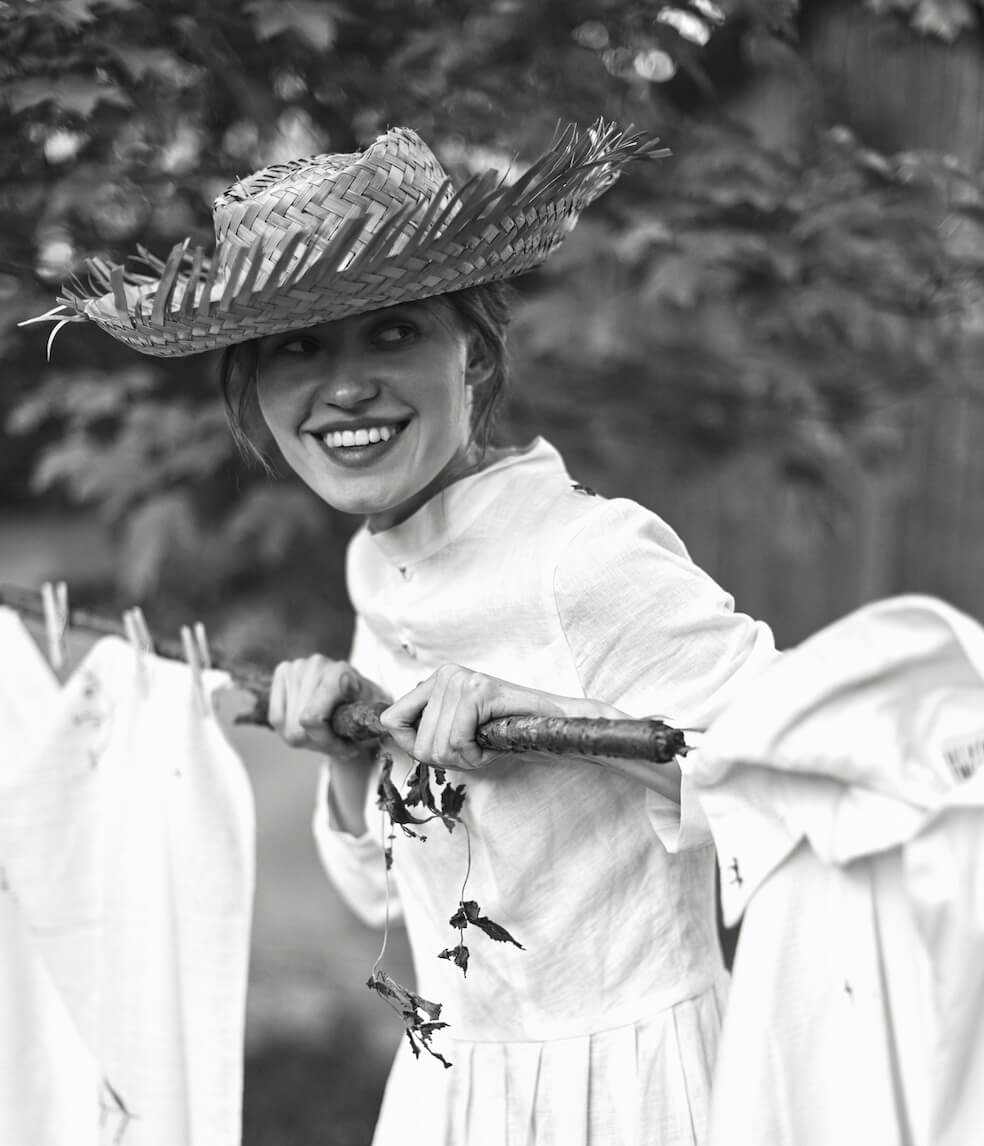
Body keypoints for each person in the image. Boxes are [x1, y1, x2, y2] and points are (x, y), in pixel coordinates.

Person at [29, 122, 779, 1145]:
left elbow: (804, 781)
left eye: (392, 332)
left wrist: (570, 719)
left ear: (471, 353)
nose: (345, 387)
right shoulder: (380, 564)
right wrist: (347, 762)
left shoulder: (587, 559)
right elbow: (389, 886)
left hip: (636, 1090)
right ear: (253, 386)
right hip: (455, 1091)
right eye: (298, 346)